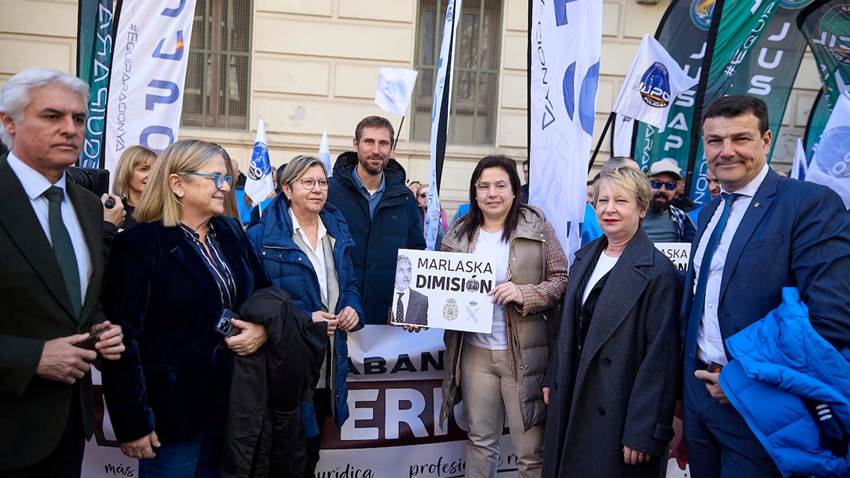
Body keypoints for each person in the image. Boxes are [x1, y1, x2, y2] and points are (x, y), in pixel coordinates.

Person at [681, 95, 850, 478]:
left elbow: (830, 318)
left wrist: (742, 379)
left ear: (767, 140)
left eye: (740, 138)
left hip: (761, 401)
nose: (726, 151)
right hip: (700, 399)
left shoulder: (809, 204)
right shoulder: (709, 211)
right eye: (714, 141)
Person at [101, 139, 270, 477]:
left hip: (231, 405)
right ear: (177, 184)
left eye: (227, 179)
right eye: (215, 178)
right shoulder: (139, 244)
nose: (225, 188)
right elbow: (121, 340)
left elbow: (263, 294)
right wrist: (132, 422)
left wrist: (261, 329)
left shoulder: (230, 231)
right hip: (172, 414)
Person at [0, 67, 125, 476]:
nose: (70, 129)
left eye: (78, 118)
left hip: (67, 429)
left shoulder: (89, 207)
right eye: (52, 116)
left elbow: (76, 299)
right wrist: (31, 357)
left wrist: (102, 328)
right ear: (9, 123)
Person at [542, 166, 682, 478]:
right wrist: (554, 375)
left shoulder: (659, 273)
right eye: (601, 200)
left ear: (642, 208)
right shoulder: (584, 257)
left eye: (621, 201)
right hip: (573, 394)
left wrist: (643, 429)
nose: (609, 209)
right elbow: (568, 325)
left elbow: (660, 360)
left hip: (618, 409)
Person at [439, 155, 568, 478]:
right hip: (474, 353)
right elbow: (438, 289)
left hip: (525, 354)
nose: (491, 193)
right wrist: (416, 310)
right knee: (480, 442)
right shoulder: (458, 234)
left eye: (500, 185)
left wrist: (524, 293)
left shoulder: (536, 226)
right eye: (483, 186)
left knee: (529, 451)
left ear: (514, 190)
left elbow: (561, 280)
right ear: (474, 192)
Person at [247, 154, 364, 477]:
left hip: (327, 364)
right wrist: (304, 319)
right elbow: (253, 302)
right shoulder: (261, 237)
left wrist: (353, 308)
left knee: (310, 452)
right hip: (284, 366)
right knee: (281, 457)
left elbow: (350, 285)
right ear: (287, 189)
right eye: (308, 182)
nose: (317, 189)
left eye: (322, 182)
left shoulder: (336, 231)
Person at [327, 115, 426, 324]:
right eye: (369, 141)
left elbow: (415, 253)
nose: (376, 150)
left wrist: (408, 307)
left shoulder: (405, 197)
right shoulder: (329, 192)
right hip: (338, 314)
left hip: (387, 319)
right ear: (355, 145)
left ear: (392, 149)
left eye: (383, 143)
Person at [644, 158, 695, 243]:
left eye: (670, 185)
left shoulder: (682, 218)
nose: (662, 190)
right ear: (645, 184)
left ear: (676, 189)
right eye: (656, 184)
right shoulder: (630, 214)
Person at [112, 145, 157, 230]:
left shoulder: (166, 211)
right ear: (126, 173)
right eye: (144, 169)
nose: (152, 175)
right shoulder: (114, 210)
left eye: (156, 171)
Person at [390, 254, 428, 326]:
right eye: (401, 270)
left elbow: (424, 327)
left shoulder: (422, 300)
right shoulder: (384, 293)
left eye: (409, 270)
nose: (406, 274)